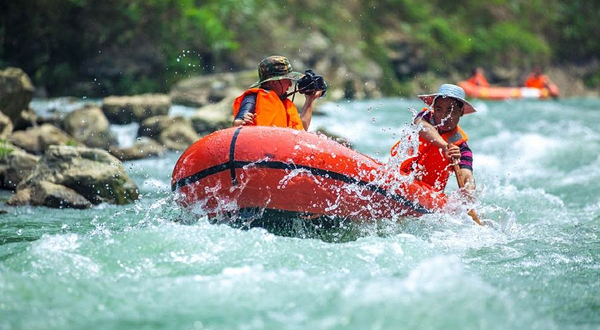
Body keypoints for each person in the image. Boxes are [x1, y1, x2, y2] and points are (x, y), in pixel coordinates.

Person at [391, 84, 476, 195]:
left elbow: (467, 176)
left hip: (427, 194)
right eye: (439, 109)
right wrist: (445, 146)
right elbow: (422, 127)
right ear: (434, 109)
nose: (443, 116)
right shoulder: (424, 117)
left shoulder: (462, 149)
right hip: (399, 177)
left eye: (450, 110)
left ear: (461, 112)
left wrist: (468, 190)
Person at [232, 55, 323, 130]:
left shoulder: (285, 103)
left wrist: (310, 100)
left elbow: (302, 130)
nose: (290, 84)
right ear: (273, 82)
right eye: (287, 79)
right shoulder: (252, 97)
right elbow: (238, 122)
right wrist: (243, 121)